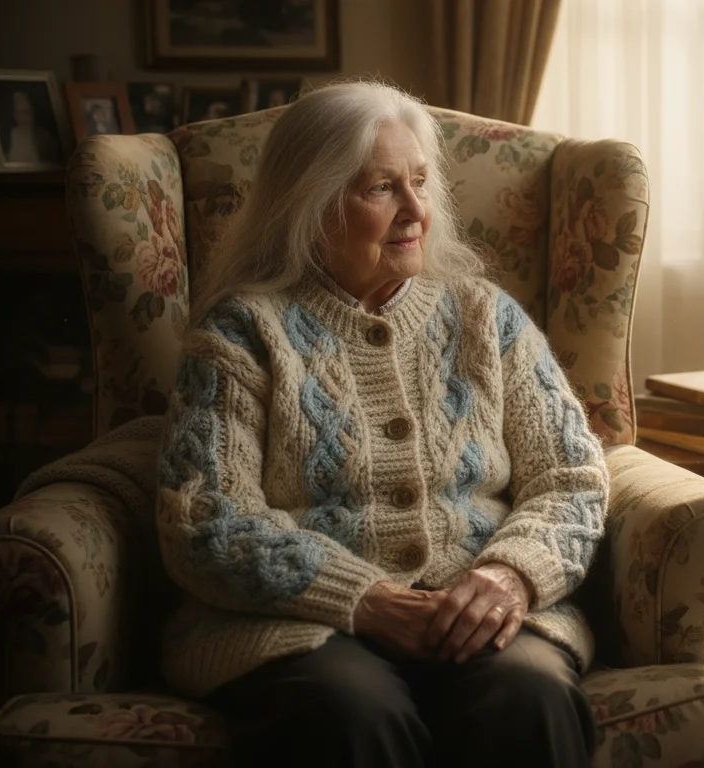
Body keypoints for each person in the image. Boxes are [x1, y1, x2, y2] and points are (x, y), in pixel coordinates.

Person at [159, 81, 607, 768]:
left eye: (421, 183)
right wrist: (363, 597)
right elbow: (206, 517)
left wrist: (511, 576)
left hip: (482, 609)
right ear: (310, 204)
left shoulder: (485, 317)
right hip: (299, 626)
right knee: (351, 710)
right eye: (381, 189)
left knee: (530, 695)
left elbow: (571, 477)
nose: (416, 211)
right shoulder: (243, 333)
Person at [3, 89, 60, 164]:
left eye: (26, 112)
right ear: (14, 115)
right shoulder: (7, 138)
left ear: (33, 113)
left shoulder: (45, 138)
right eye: (19, 113)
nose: (23, 118)